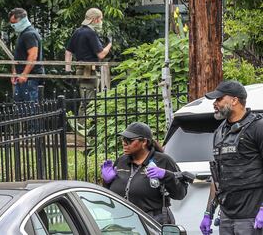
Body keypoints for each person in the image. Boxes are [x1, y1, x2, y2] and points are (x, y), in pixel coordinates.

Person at [199, 80, 263, 235]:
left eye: (219, 99)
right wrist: (208, 212)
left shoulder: (257, 127)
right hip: (227, 216)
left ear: (234, 100)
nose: (215, 103)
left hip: (252, 217)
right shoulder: (220, 132)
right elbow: (217, 176)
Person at [101, 122, 188, 224]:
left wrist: (167, 176)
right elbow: (110, 195)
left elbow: (180, 194)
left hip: (151, 222)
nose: (124, 143)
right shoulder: (121, 161)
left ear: (144, 142)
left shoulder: (163, 161)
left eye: (129, 140)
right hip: (122, 222)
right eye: (123, 139)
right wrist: (106, 181)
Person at [64, 8, 112, 114]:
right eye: (100, 19)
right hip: (90, 72)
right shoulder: (90, 33)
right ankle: (82, 128)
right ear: (95, 20)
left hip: (80, 70)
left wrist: (67, 70)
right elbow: (101, 54)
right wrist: (109, 44)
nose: (101, 22)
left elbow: (68, 52)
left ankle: (85, 127)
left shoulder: (78, 31)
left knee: (87, 100)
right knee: (89, 102)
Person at [8, 8, 44, 102]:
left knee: (30, 109)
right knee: (21, 109)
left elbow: (33, 56)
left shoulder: (29, 34)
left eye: (14, 22)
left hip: (30, 78)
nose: (13, 25)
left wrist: (24, 74)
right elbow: (19, 56)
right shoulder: (23, 34)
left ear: (21, 20)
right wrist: (15, 72)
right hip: (23, 77)